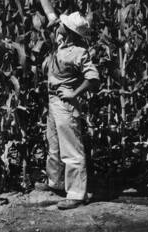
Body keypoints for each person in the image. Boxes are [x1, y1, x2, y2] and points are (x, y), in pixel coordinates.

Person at [35, 11, 100, 210]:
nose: (57, 25)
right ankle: (56, 183)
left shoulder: (79, 52)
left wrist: (74, 94)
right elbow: (50, 12)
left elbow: (93, 78)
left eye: (62, 24)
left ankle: (76, 193)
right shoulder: (60, 45)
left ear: (70, 31)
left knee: (72, 149)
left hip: (65, 104)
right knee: (53, 145)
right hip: (52, 101)